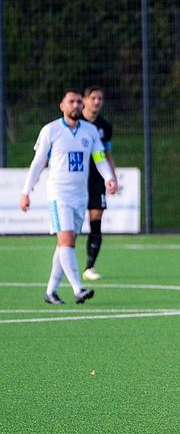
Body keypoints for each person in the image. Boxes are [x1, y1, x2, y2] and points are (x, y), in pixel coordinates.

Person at [19, 89, 118, 304]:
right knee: (65, 239)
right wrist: (26, 192)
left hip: (80, 195)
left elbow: (99, 157)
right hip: (58, 194)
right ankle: (77, 289)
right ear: (61, 106)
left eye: (77, 102)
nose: (75, 105)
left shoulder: (90, 131)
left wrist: (109, 177)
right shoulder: (51, 130)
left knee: (67, 243)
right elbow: (38, 163)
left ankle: (51, 291)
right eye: (70, 102)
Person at [81, 85, 117, 281]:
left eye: (100, 98)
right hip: (76, 180)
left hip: (96, 180)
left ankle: (89, 267)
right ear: (85, 100)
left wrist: (112, 177)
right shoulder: (75, 123)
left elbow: (107, 154)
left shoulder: (105, 127)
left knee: (96, 222)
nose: (97, 102)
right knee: (70, 226)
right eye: (93, 98)